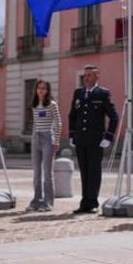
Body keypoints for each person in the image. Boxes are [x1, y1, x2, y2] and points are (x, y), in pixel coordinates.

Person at [68, 65, 117, 214]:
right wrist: (72, 134)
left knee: (94, 171)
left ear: (97, 77)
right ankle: (84, 202)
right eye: (85, 75)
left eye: (89, 75)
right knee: (84, 171)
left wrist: (108, 137)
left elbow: (114, 117)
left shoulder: (103, 93)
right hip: (81, 139)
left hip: (96, 140)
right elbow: (72, 115)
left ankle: (93, 202)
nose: (86, 78)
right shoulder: (78, 93)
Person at [27, 80, 61, 212]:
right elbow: (35, 123)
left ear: (48, 91)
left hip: (48, 138)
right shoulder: (35, 105)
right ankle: (36, 200)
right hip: (36, 138)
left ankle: (48, 203)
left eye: (44, 88)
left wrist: (57, 141)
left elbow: (58, 123)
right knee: (36, 173)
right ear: (36, 90)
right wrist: (33, 137)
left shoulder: (52, 105)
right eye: (39, 88)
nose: (41, 90)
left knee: (47, 173)